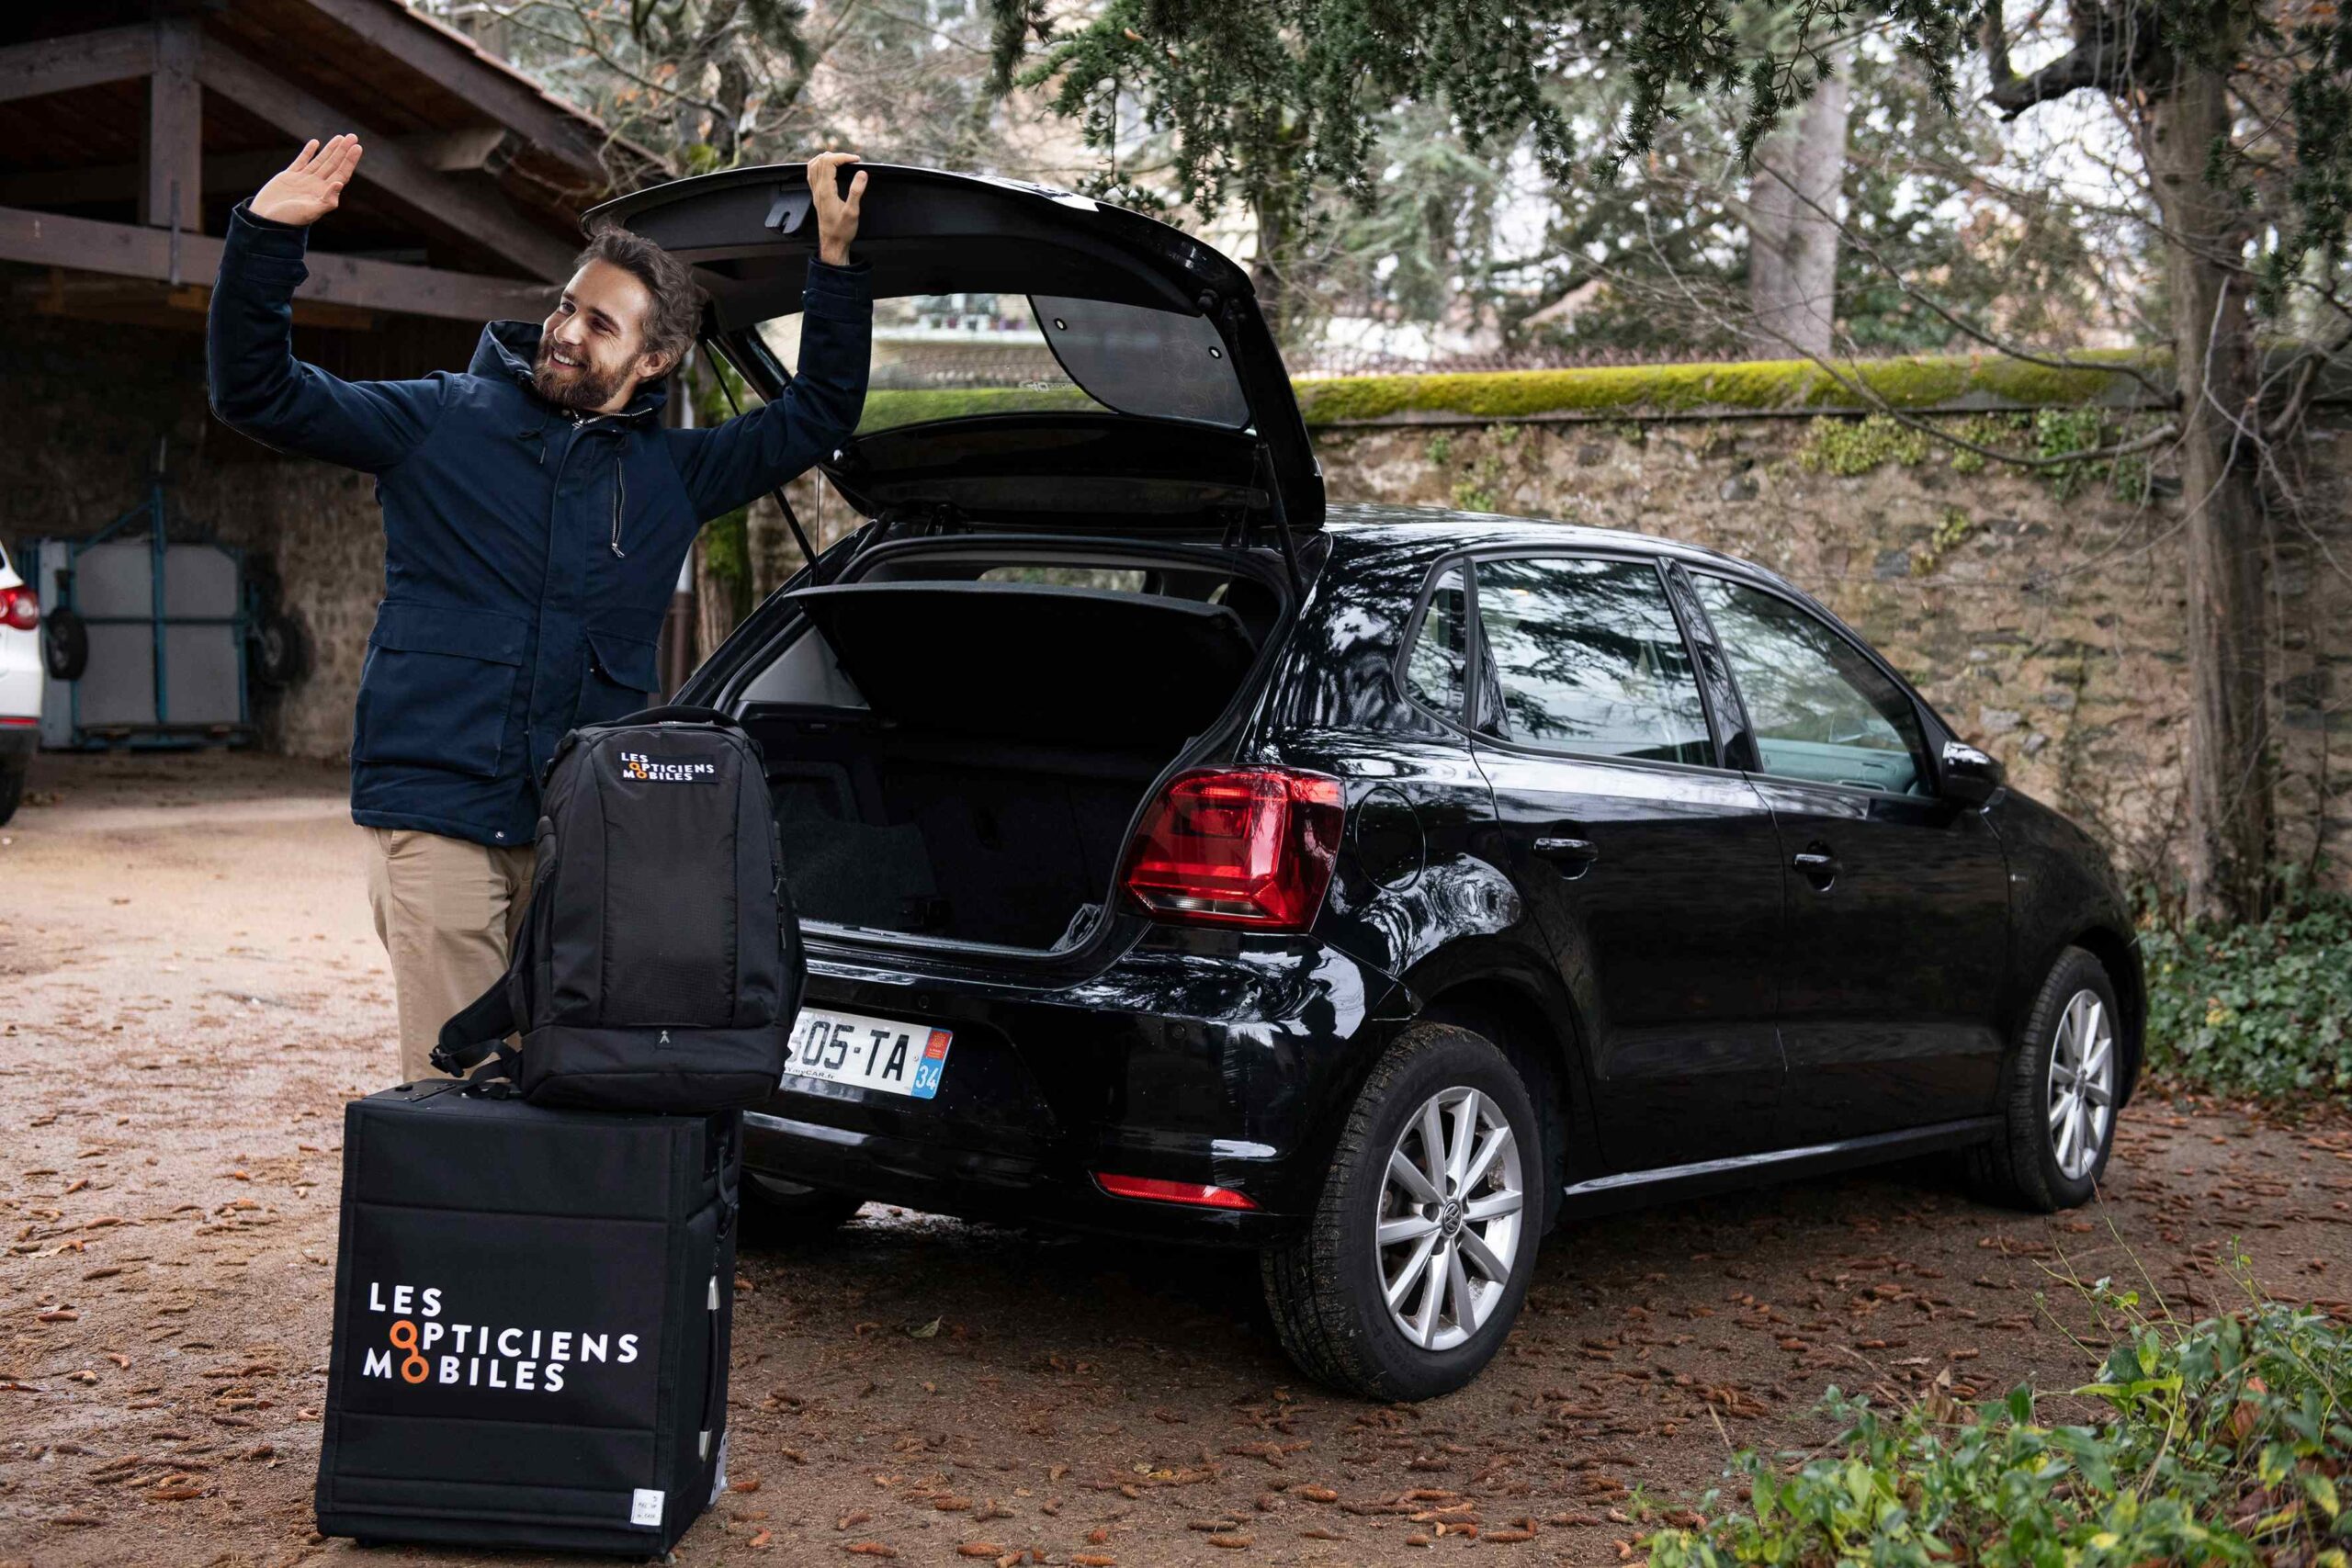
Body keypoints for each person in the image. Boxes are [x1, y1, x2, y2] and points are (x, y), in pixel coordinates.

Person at [208, 136, 872, 1083]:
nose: (565, 330)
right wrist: (265, 241)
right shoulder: (440, 421)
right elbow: (257, 392)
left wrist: (837, 268)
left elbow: (818, 413)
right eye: (566, 306)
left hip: (583, 832)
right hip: (437, 813)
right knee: (458, 1082)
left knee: (565, 1072)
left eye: (600, 324)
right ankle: (454, 1231)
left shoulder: (672, 478)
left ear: (656, 358)